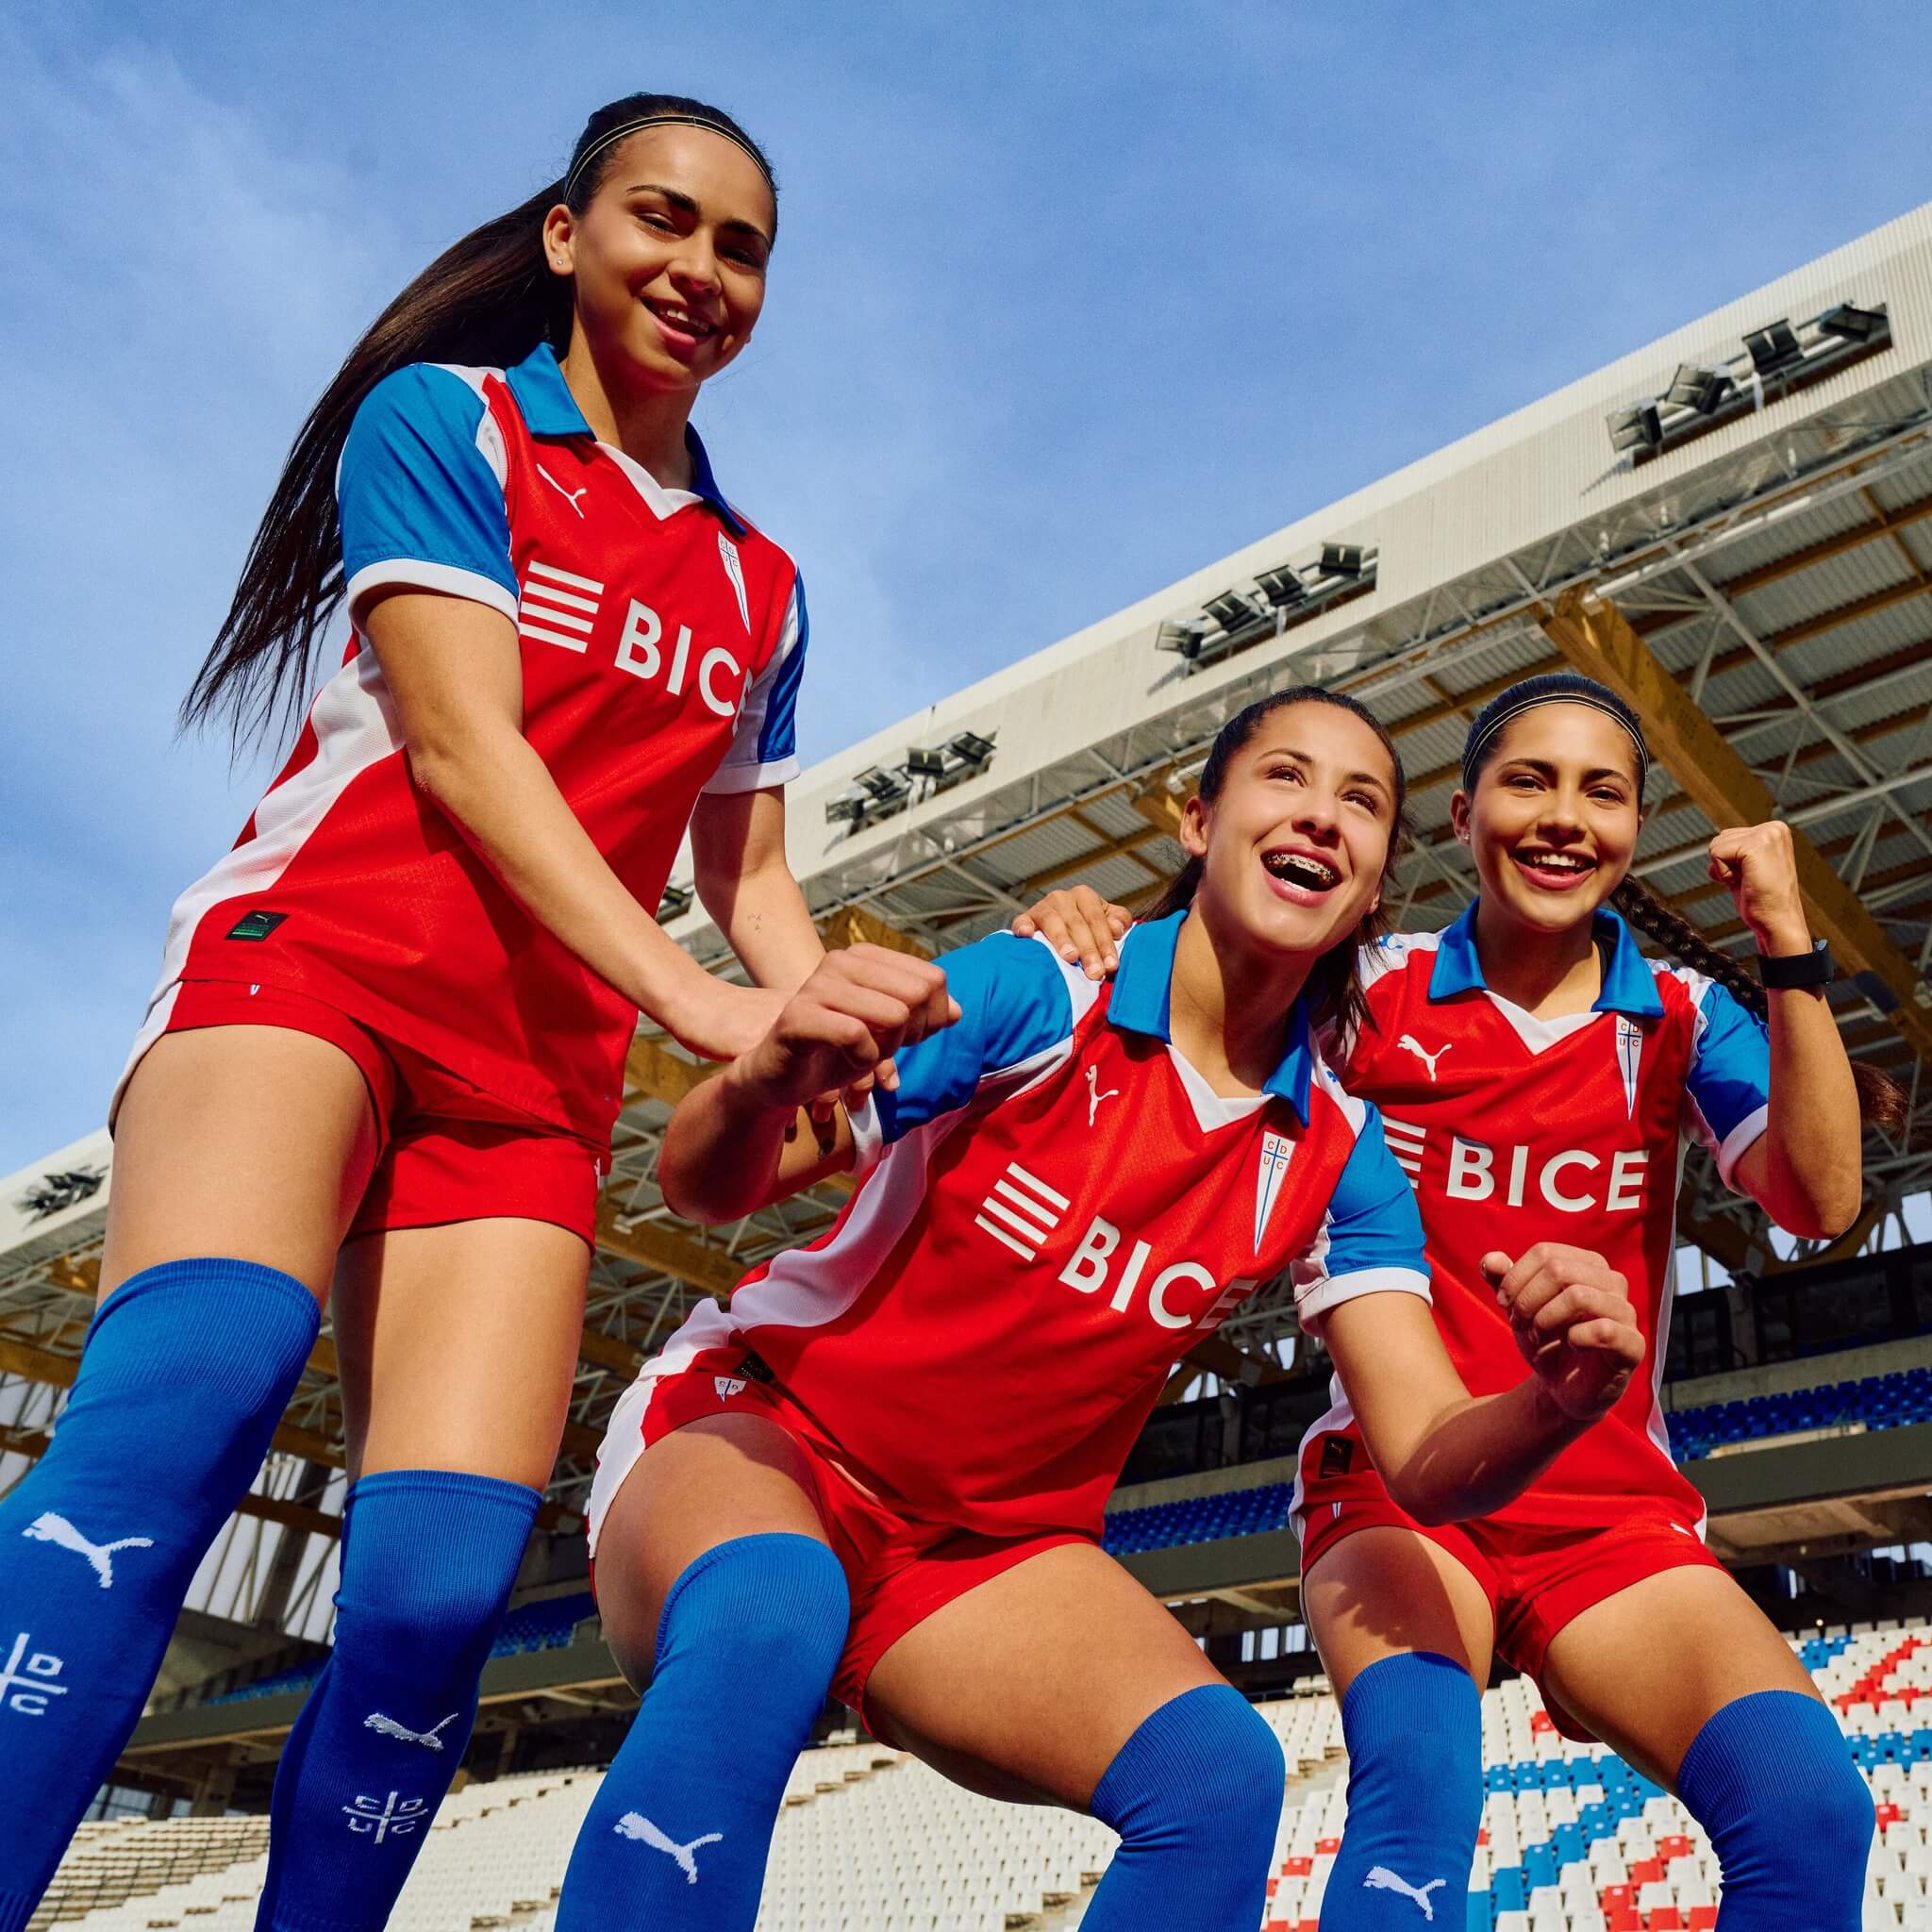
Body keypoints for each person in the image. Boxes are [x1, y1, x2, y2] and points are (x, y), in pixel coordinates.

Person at [0, 94, 826, 1932]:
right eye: (660, 219)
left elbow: (751, 876)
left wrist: (840, 1018)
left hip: (527, 1089)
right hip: (316, 970)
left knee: (434, 1599)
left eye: (739, 244)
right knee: (186, 1404)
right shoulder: (447, 422)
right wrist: (700, 996)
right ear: (564, 233)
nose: (696, 268)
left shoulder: (760, 587)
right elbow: (463, 750)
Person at [562, 687, 1646, 1932]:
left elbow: (1433, 1462)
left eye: (1362, 804)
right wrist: (760, 1077)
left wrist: (1558, 1398)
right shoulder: (1039, 993)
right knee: (769, 1612)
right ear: (1199, 820)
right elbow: (701, 1184)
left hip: (976, 1556)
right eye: (1286, 778)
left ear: (1376, 884)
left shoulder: (1336, 1157)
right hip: (770, 1439)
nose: (1322, 817)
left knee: (1220, 1782)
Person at [1021, 668, 1903, 1929]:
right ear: (1460, 810)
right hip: (1398, 1487)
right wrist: (1087, 923)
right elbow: (1194, 1010)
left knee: (1813, 1812)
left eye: (1602, 792)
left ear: (1636, 831)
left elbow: (1816, 1199)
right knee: (1416, 1820)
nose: (1562, 816)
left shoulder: (1681, 1018)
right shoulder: (1361, 987)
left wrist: (1788, 945)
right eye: (1526, 779)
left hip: (1608, 1511)